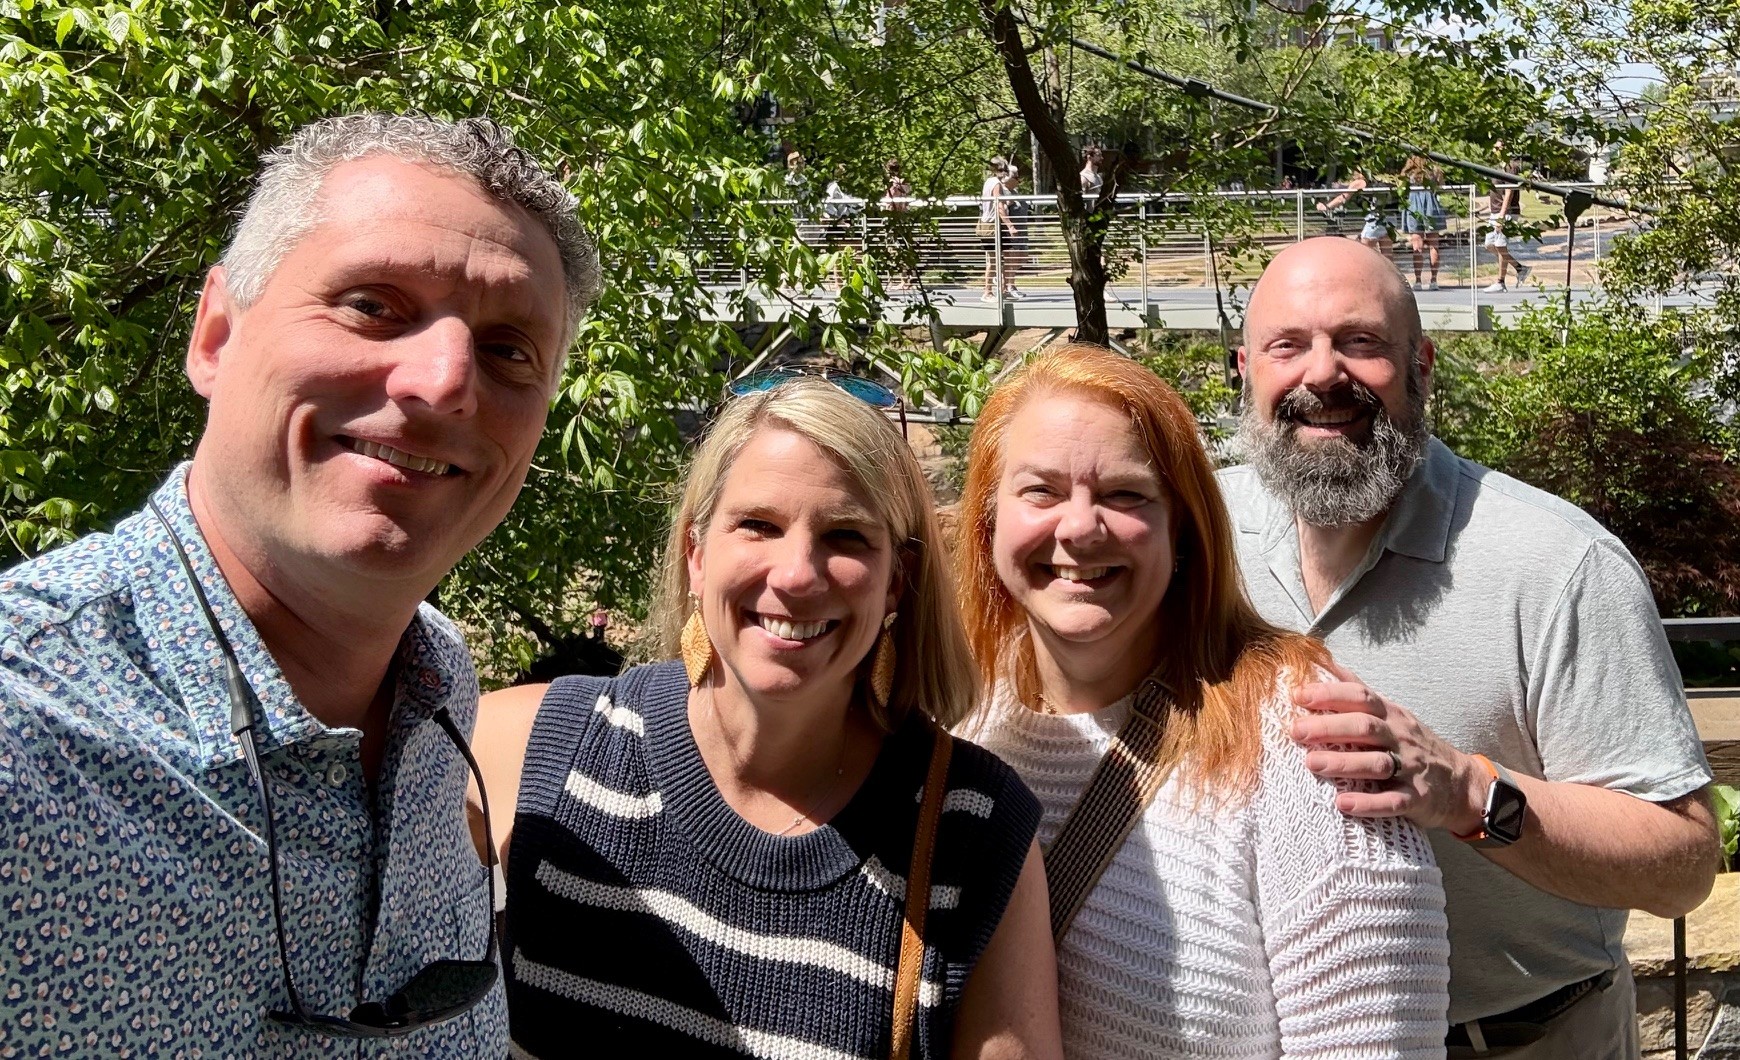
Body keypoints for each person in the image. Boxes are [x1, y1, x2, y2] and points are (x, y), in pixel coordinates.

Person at [0, 113, 600, 1055]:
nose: (446, 382)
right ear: (216, 335)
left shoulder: (438, 687)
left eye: (508, 351)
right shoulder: (25, 732)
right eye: (373, 305)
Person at [1223, 236, 1718, 1058]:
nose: (1323, 374)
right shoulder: (1196, 537)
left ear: (1421, 366)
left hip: (1526, 1040)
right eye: (1288, 346)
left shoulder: (1556, 564)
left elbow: (1683, 864)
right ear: (1246, 370)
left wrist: (1466, 792)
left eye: (1361, 341)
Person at [470, 378, 1062, 1059]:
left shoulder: (973, 837)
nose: (797, 574)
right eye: (758, 525)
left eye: (845, 536)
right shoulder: (535, 747)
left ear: (896, 581)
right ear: (696, 555)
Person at [955, 343, 1450, 1058]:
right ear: (987, 522)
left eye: (1126, 494)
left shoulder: (1306, 743)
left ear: (1182, 527)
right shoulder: (952, 719)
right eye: (1041, 491)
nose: (1080, 527)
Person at [1482, 146, 1533, 293]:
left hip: (1506, 212)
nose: (1495, 150)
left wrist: (1502, 216)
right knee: (1489, 244)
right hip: (1495, 211)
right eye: (1495, 147)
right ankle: (1519, 268)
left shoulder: (1510, 167)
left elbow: (1509, 192)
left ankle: (1500, 282)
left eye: (1499, 147)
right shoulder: (1497, 166)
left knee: (1500, 245)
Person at [1399, 155, 1447, 290]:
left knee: (1417, 246)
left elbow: (1401, 188)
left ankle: (1418, 281)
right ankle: (1434, 281)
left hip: (1413, 206)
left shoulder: (1408, 172)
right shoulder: (1434, 169)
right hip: (1431, 205)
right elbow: (1441, 186)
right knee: (1434, 246)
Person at [1315, 168, 1390, 252]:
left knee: (1364, 250)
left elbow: (1343, 198)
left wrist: (1327, 207)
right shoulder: (1376, 181)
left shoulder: (1359, 183)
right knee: (1387, 254)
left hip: (1375, 219)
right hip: (1389, 217)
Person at [979, 155, 1017, 303]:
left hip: (990, 224)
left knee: (1004, 256)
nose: (1005, 172)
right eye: (1003, 169)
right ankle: (987, 292)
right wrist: (1010, 225)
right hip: (992, 225)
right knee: (993, 261)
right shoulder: (995, 183)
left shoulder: (989, 182)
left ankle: (1003, 289)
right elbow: (998, 205)